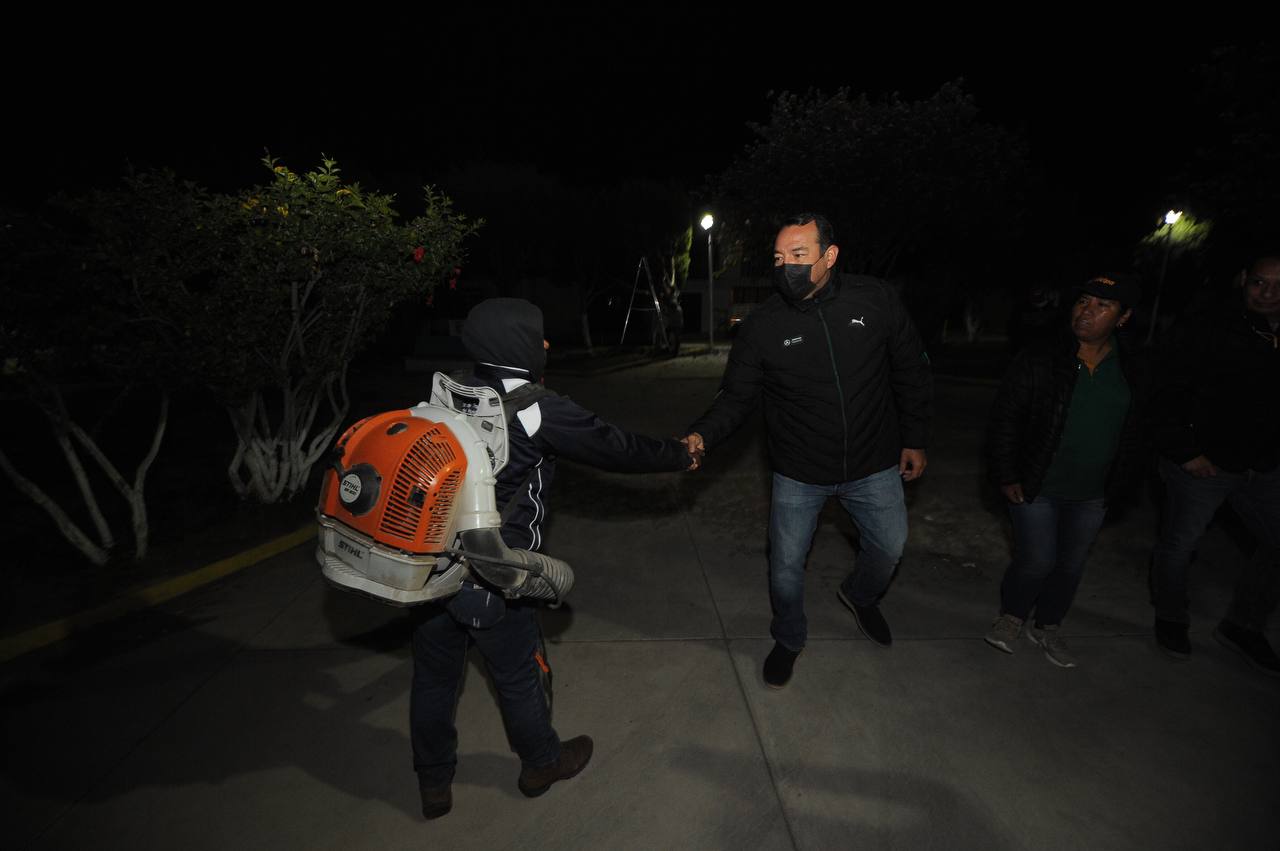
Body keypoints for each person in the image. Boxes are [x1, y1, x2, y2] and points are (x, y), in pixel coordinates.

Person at [412, 298, 696, 819]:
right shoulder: (533, 406)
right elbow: (614, 446)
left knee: (433, 679)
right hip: (497, 571)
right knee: (518, 675)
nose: (546, 345)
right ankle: (541, 764)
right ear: (516, 344)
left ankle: (433, 784)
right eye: (538, 337)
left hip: (432, 566)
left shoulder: (449, 389)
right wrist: (680, 453)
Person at [684, 213, 932, 688]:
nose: (786, 267)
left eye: (799, 256)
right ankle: (790, 636)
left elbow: (910, 372)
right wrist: (701, 435)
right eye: (779, 258)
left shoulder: (875, 299)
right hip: (799, 471)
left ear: (829, 257)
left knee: (889, 547)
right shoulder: (763, 326)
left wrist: (915, 437)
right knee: (785, 568)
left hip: (873, 462)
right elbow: (736, 397)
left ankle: (860, 596)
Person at [984, 275, 1149, 667]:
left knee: (1071, 564)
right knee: (1038, 559)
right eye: (1083, 301)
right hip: (1037, 483)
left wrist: (1126, 480)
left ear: (1123, 318)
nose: (1087, 311)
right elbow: (1005, 419)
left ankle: (1048, 626)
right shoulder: (1041, 356)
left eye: (1102, 305)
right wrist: (1007, 474)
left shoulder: (1133, 367)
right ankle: (1012, 616)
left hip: (1093, 491)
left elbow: (1140, 430)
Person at [1149, 254, 1280, 676]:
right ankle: (1171, 617)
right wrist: (1184, 449)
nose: (1268, 293)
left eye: (1278, 287)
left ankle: (1243, 626)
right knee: (1180, 544)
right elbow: (1161, 386)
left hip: (1263, 465)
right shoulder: (1207, 324)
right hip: (1203, 462)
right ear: (1243, 278)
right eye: (1260, 282)